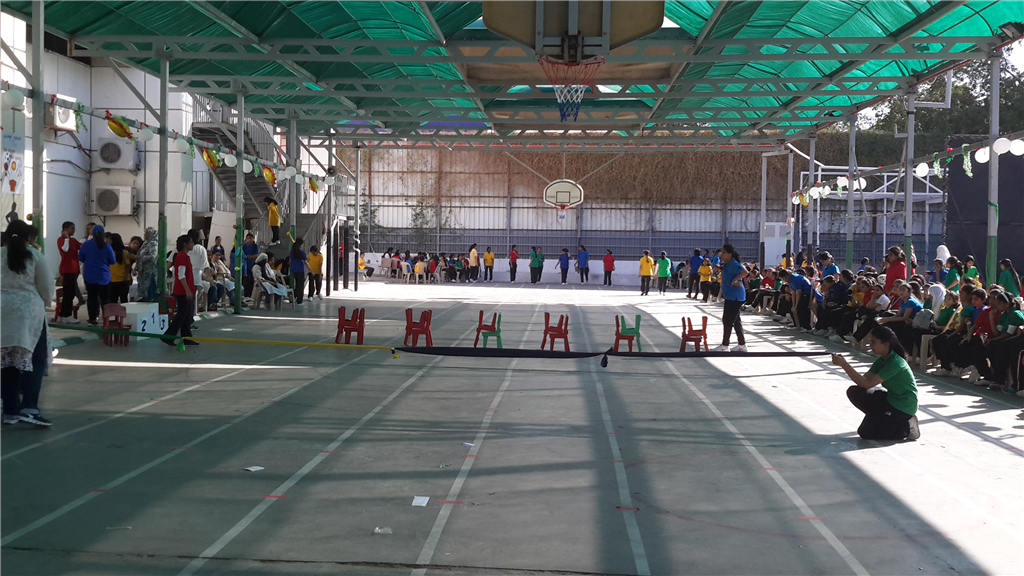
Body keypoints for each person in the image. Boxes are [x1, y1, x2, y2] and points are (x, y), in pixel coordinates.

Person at [0, 220, 55, 427]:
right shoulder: (35, 256)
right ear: (29, 238)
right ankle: (29, 408)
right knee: (35, 360)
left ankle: (10, 412)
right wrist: (46, 301)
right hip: (29, 315)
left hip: (2, 314)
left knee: (7, 362)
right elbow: (47, 287)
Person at [832, 327, 920, 441]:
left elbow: (867, 384)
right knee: (855, 392)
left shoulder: (895, 363)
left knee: (866, 432)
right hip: (891, 398)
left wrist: (845, 365)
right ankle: (879, 418)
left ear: (886, 344)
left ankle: (906, 427)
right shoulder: (882, 359)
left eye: (873, 342)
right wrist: (844, 365)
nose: (870, 345)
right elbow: (864, 380)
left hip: (903, 406)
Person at [712, 244, 748, 352]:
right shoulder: (727, 265)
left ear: (730, 254)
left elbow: (745, 272)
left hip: (735, 296)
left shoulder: (734, 263)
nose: (721, 254)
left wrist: (735, 280)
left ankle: (725, 345)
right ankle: (742, 344)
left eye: (723, 252)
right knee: (736, 320)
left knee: (727, 320)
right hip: (729, 295)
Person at [78, 224, 116, 326]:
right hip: (104, 276)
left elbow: (81, 258)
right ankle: (106, 320)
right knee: (105, 299)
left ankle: (92, 319)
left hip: (89, 275)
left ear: (92, 233)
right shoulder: (107, 246)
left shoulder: (86, 245)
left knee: (92, 298)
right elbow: (113, 261)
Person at [163, 234, 198, 347]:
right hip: (182, 291)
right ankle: (168, 336)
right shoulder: (182, 257)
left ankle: (186, 337)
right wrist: (187, 290)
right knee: (182, 314)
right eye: (191, 242)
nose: (193, 244)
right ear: (185, 244)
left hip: (185, 289)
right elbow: (181, 275)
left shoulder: (185, 256)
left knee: (186, 315)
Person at [56, 221, 82, 324]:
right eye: (72, 228)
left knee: (70, 293)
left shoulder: (74, 240)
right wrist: (66, 238)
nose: (74, 230)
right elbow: (65, 249)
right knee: (69, 293)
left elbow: (82, 246)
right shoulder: (61, 240)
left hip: (74, 269)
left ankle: (62, 315)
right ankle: (67, 315)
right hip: (67, 269)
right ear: (65, 229)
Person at [188, 229, 210, 309]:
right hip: (196, 279)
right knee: (192, 300)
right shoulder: (201, 249)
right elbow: (205, 266)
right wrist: (210, 278)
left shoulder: (181, 248)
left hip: (185, 278)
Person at [108, 233, 132, 303]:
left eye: (110, 239)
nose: (108, 241)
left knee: (124, 299)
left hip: (123, 279)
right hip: (112, 279)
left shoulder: (124, 252)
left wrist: (126, 275)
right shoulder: (109, 251)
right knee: (113, 300)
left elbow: (128, 265)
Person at [136, 227, 159, 302]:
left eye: (147, 233)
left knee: (149, 289)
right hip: (143, 271)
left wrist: (140, 257)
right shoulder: (145, 243)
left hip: (150, 271)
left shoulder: (153, 244)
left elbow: (153, 256)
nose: (145, 235)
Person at [242, 233, 260, 298]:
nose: (249, 240)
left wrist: (247, 257)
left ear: (253, 238)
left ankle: (250, 295)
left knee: (251, 281)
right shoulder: (244, 246)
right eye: (248, 238)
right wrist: (250, 257)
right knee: (245, 281)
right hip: (244, 266)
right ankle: (245, 295)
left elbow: (256, 256)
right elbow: (243, 255)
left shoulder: (255, 246)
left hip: (252, 266)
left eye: (250, 238)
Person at [290, 238, 307, 304]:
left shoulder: (292, 252)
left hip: (294, 270)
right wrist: (311, 270)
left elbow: (290, 261)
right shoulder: (302, 253)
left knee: (297, 285)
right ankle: (299, 301)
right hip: (300, 270)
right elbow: (305, 262)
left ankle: (293, 297)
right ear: (301, 244)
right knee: (300, 286)